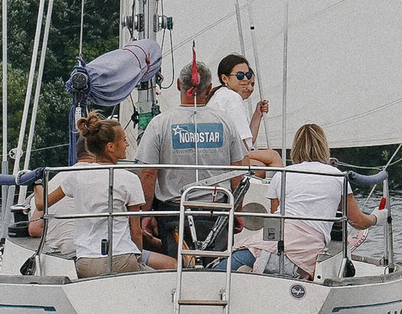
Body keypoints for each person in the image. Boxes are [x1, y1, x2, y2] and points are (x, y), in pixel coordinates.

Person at [133, 57, 280, 262]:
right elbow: (238, 169)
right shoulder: (225, 122)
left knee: (177, 268)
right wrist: (237, 210)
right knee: (215, 267)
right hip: (216, 210)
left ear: (178, 85)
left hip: (174, 212)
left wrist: (146, 213)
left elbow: (148, 173)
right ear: (210, 87)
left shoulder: (160, 124)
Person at [28, 114, 175, 277]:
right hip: (122, 259)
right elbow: (136, 231)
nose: (127, 144)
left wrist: (36, 183)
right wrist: (138, 257)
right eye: (124, 140)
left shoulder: (76, 176)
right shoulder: (130, 179)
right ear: (110, 147)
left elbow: (41, 204)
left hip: (86, 263)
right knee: (160, 280)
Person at [234, 122, 377, 279]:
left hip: (266, 245)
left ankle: (251, 271)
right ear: (323, 147)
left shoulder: (281, 174)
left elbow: (274, 220)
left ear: (295, 147)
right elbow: (358, 221)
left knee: (221, 269)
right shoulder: (336, 176)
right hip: (305, 250)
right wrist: (377, 217)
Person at [207, 53, 269, 151]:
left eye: (248, 75)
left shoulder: (220, 94)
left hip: (218, 155)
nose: (245, 79)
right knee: (273, 156)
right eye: (240, 75)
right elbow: (244, 147)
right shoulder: (231, 97)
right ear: (224, 78)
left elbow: (247, 140)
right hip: (226, 157)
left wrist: (258, 114)